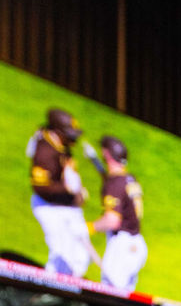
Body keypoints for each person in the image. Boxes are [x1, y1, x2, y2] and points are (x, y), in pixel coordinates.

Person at [27, 109, 101, 279]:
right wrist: (69, 191)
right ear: (57, 132)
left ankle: (68, 288)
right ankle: (52, 288)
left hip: (66, 205)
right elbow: (41, 189)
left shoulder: (61, 145)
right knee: (62, 253)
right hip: (50, 207)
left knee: (81, 256)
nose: (73, 139)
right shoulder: (44, 152)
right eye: (70, 135)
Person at [89, 135, 148, 295]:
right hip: (136, 245)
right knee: (124, 297)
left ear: (107, 154)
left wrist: (90, 227)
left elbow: (112, 220)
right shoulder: (129, 179)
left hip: (122, 247)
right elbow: (112, 181)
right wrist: (95, 162)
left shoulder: (115, 184)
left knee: (110, 296)